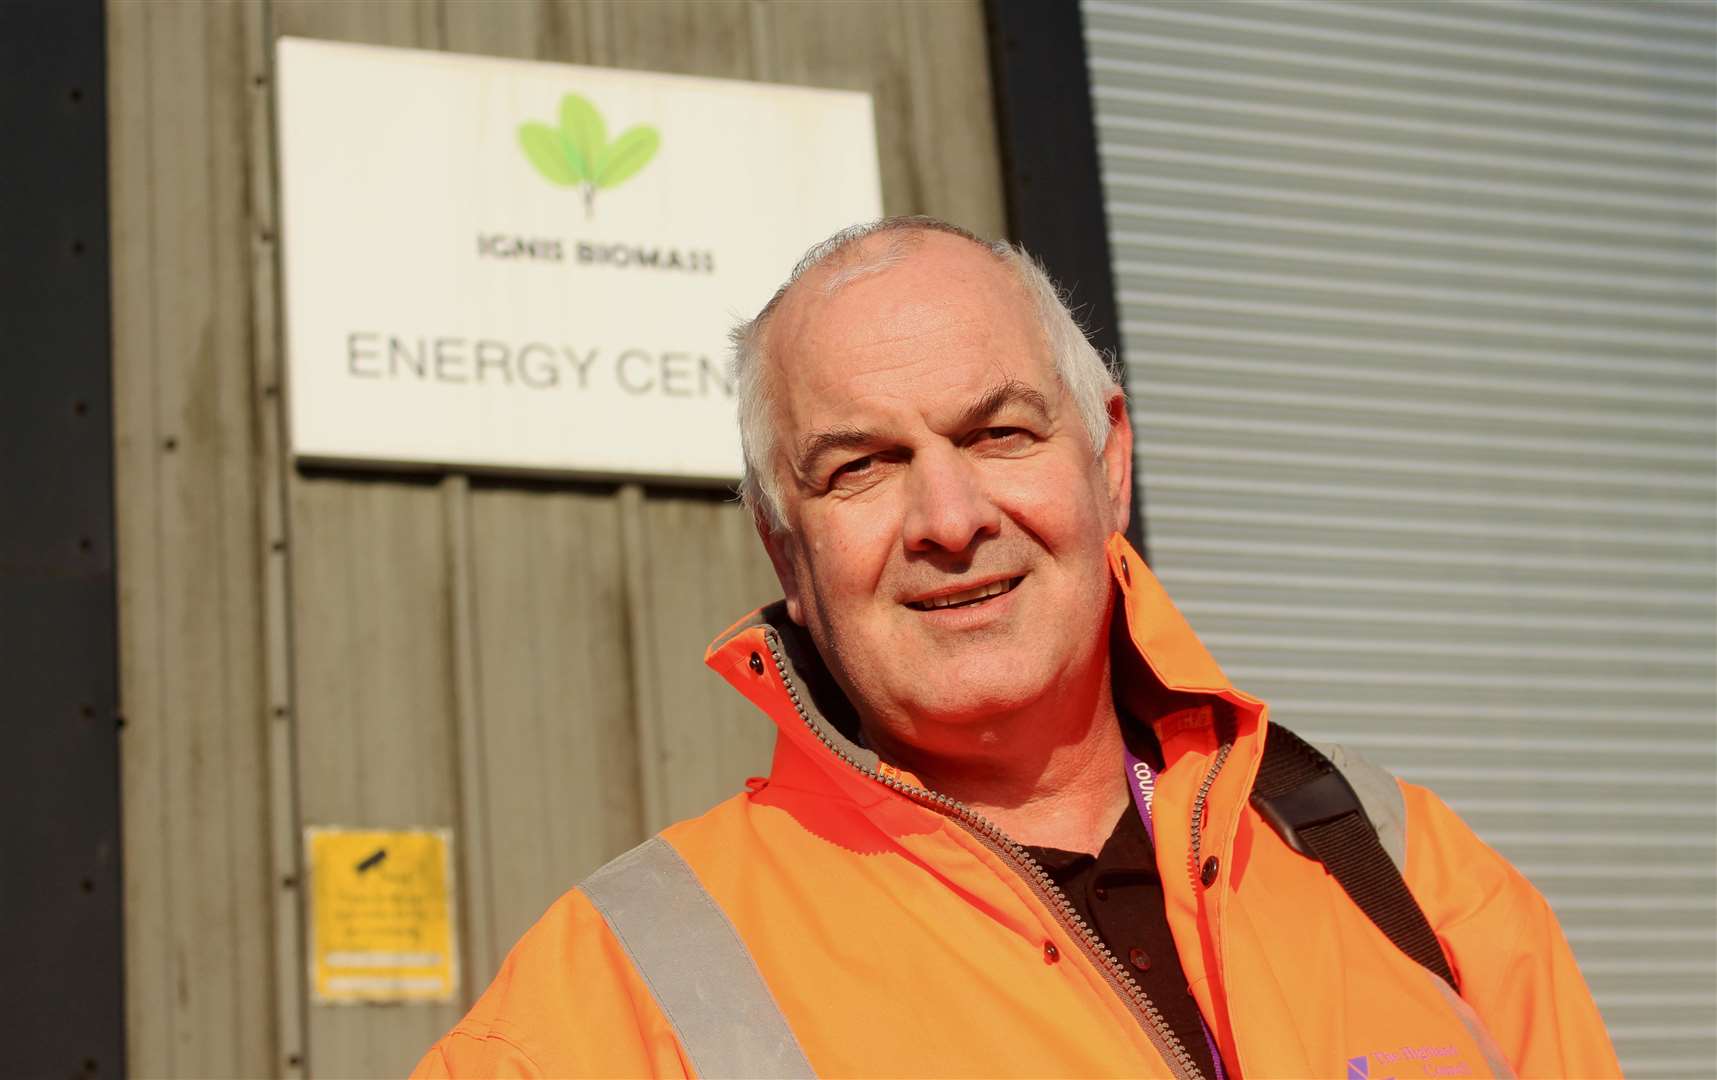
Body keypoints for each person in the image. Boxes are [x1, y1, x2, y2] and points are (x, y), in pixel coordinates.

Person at [413, 218, 1620, 1079]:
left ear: (1107, 464)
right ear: (787, 552)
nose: (949, 521)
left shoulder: (1410, 875)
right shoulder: (625, 988)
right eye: (861, 466)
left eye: (998, 433)